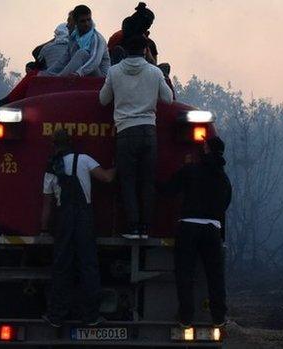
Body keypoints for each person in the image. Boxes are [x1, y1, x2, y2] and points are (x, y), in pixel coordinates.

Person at [98, 34, 173, 239]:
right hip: (149, 131)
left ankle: (132, 227)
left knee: (128, 180)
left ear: (124, 50)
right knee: (147, 181)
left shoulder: (114, 72)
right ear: (145, 50)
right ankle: (145, 227)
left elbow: (103, 100)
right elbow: (168, 98)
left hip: (125, 131)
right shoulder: (154, 72)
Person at [40, 129, 116, 327]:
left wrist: (43, 229)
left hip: (63, 221)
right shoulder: (84, 160)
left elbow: (47, 204)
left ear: (54, 145)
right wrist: (119, 165)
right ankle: (91, 316)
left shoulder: (51, 167)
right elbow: (107, 178)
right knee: (88, 266)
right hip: (84, 219)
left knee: (61, 267)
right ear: (71, 143)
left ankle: (56, 316)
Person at [160, 136, 232, 329]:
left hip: (189, 227)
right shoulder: (223, 178)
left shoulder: (191, 170)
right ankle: (218, 317)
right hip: (212, 229)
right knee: (214, 275)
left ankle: (186, 318)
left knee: (185, 273)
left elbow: (168, 190)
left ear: (207, 149)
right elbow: (225, 204)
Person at [0, 16, 74, 109]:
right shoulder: (75, 46)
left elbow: (36, 54)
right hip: (72, 83)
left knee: (32, 74)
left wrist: (53, 40)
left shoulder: (48, 48)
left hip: (51, 82)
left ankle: (2, 103)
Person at [58, 5, 110, 77]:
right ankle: (57, 78)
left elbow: (95, 61)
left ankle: (59, 80)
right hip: (83, 73)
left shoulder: (96, 38)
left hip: (101, 78)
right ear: (76, 22)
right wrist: (47, 74)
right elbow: (64, 60)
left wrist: (79, 73)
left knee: (82, 53)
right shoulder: (74, 38)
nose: (87, 24)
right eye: (83, 21)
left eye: (89, 20)